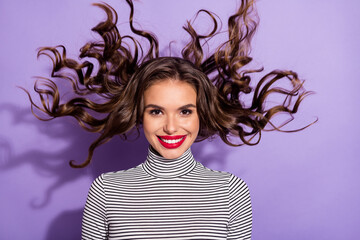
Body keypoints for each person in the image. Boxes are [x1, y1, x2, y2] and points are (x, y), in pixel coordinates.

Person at [23, 0, 313, 239]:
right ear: (139, 113)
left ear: (202, 113)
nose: (171, 127)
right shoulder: (107, 192)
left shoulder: (230, 192)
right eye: (156, 111)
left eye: (185, 111)